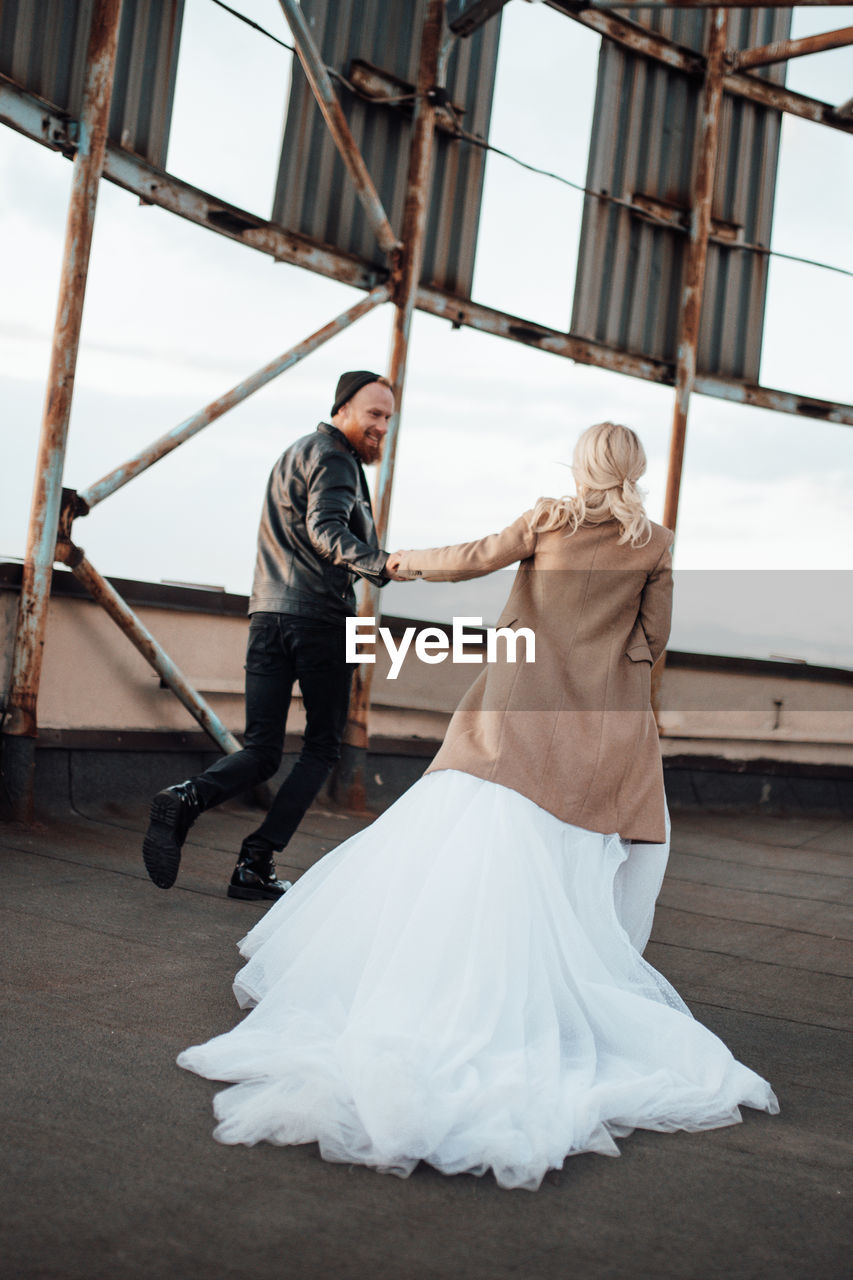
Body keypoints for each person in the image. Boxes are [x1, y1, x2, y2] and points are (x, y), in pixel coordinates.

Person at [177, 422, 779, 1190]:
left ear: (582, 464)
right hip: (595, 728)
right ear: (634, 471)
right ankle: (567, 998)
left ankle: (461, 992)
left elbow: (469, 561)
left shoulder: (547, 518)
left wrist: (393, 563)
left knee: (479, 850)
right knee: (582, 858)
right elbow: (650, 640)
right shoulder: (654, 541)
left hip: (515, 719)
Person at [142, 370, 401, 901]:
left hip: (267, 614)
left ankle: (187, 798)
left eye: (388, 418)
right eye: (373, 414)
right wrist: (382, 562)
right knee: (324, 748)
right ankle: (255, 863)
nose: (381, 427)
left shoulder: (293, 453)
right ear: (344, 408)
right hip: (321, 618)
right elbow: (325, 529)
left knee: (262, 749)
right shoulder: (335, 459)